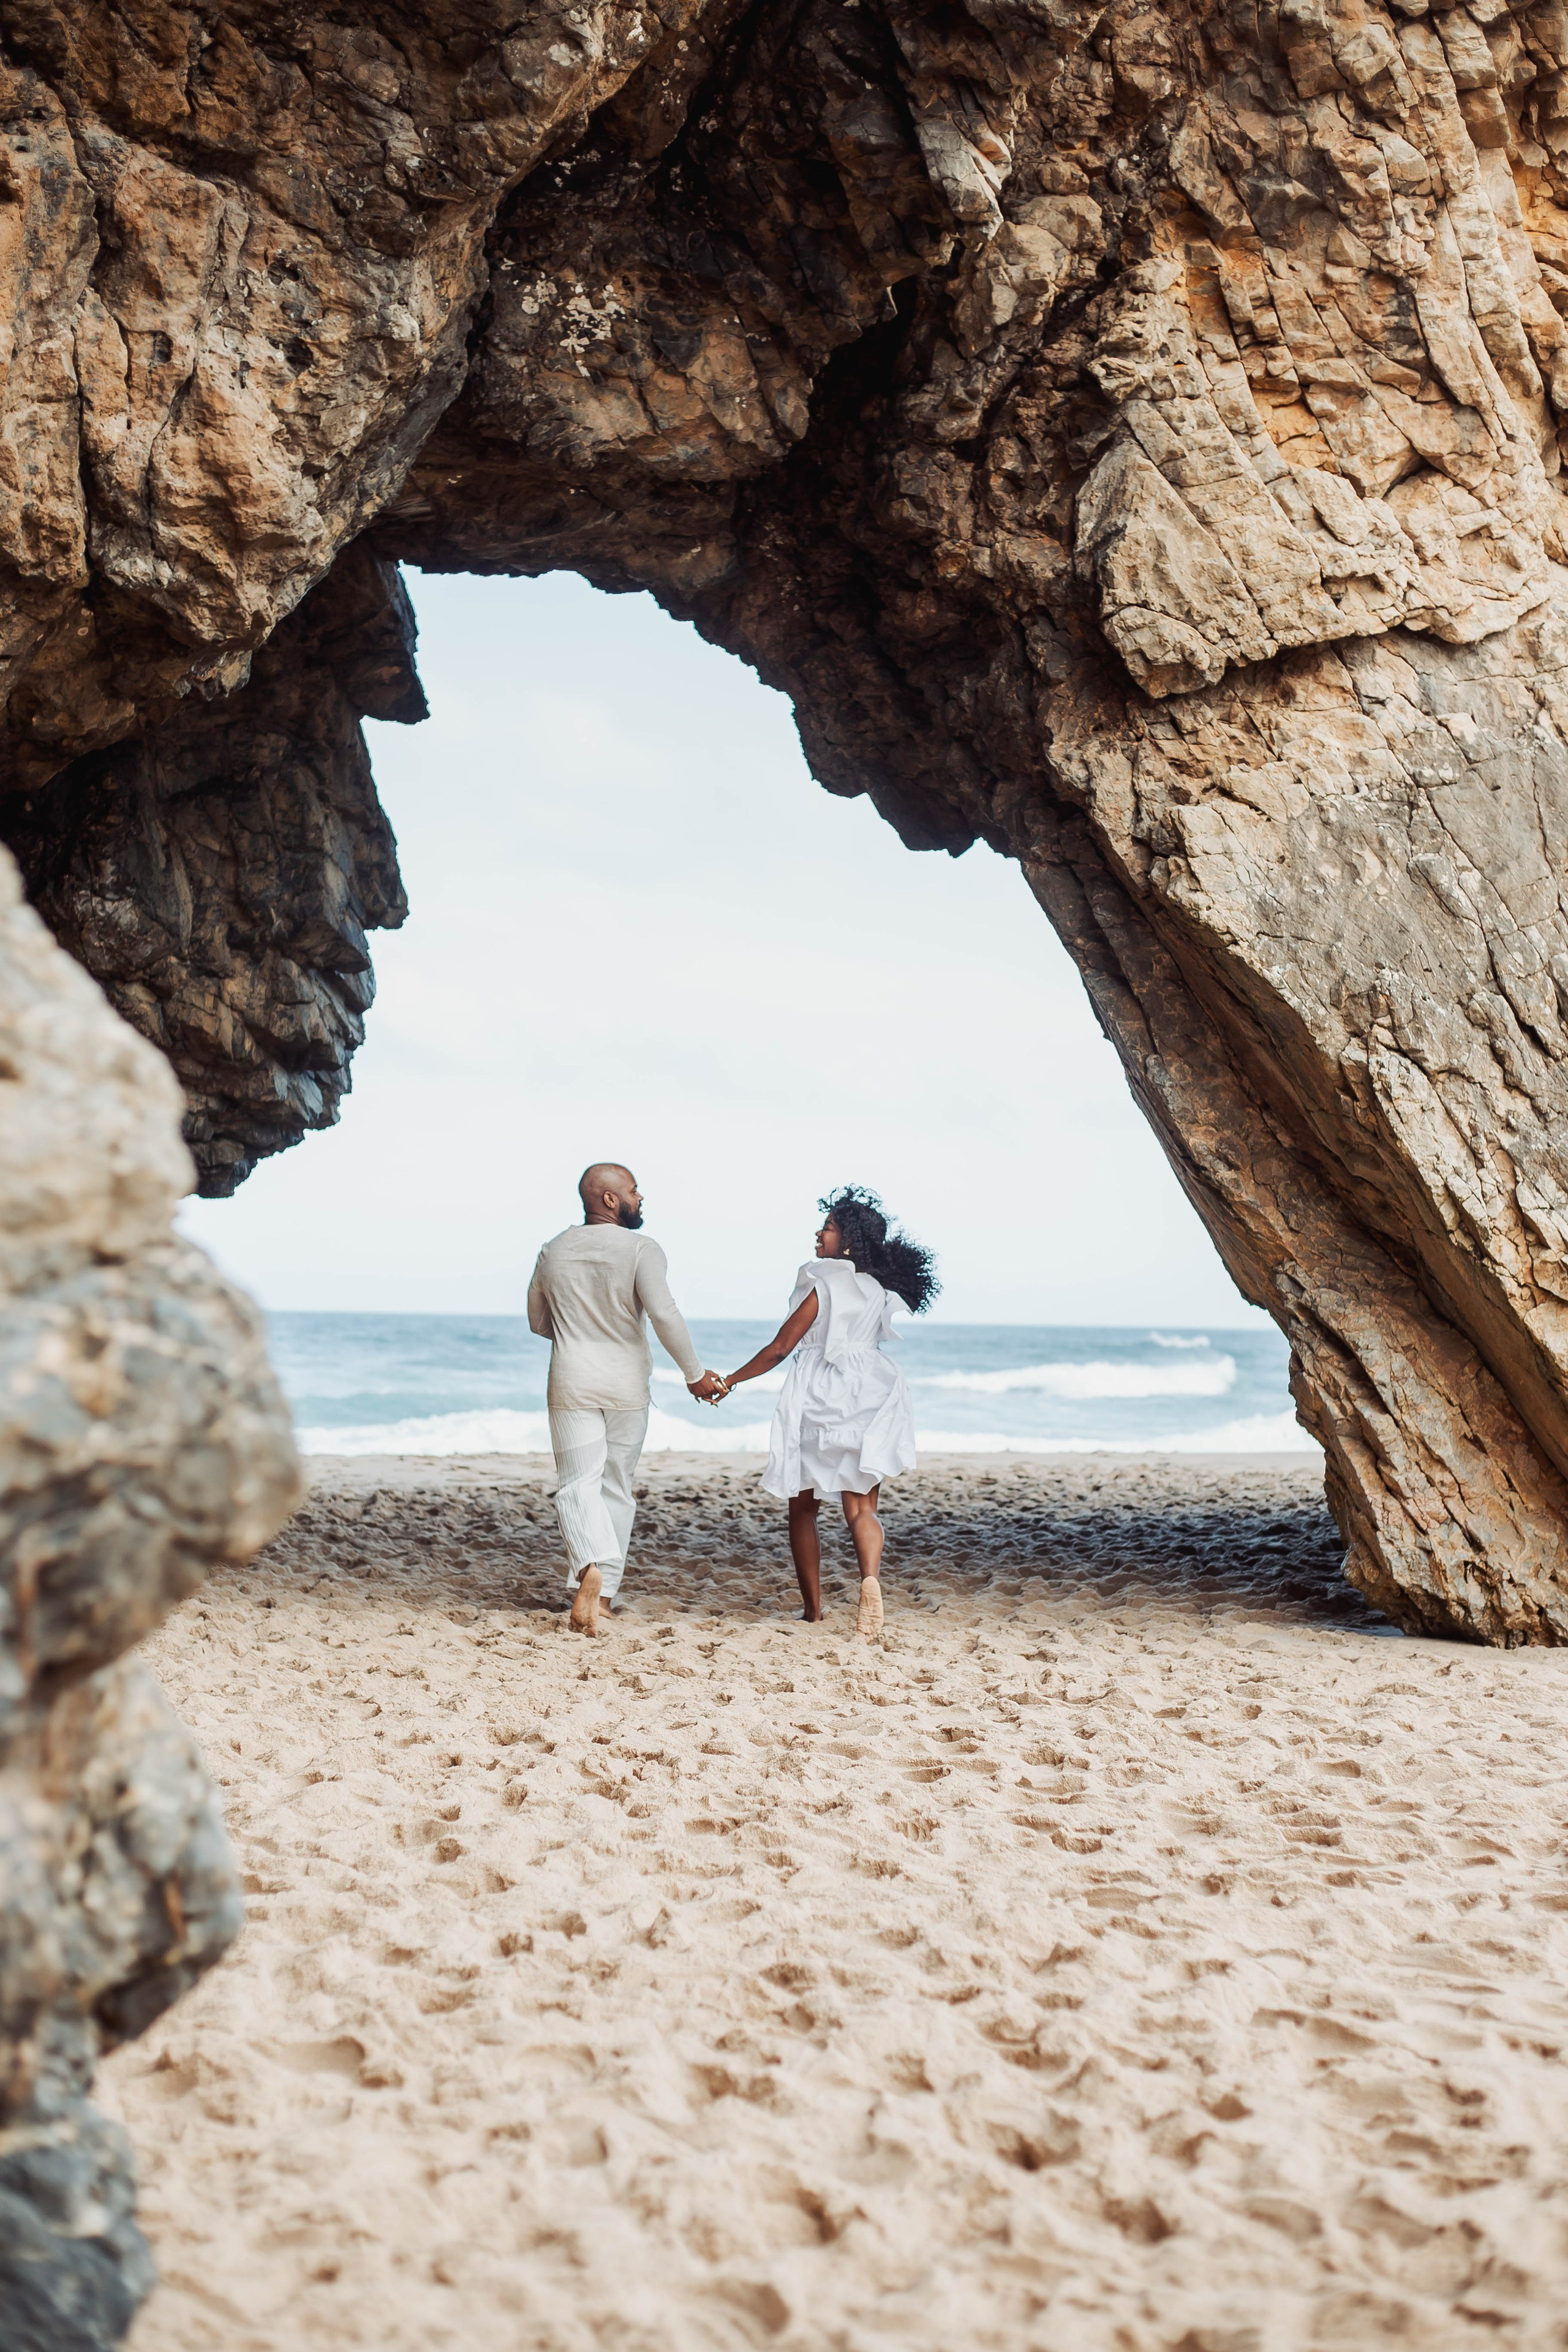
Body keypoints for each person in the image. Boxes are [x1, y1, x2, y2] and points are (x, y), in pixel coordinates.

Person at [715, 1186, 938, 1634]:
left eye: (830, 1227)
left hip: (821, 1394)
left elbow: (781, 1347)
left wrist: (731, 1380)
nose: (820, 1233)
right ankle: (870, 1581)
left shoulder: (824, 1282)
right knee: (862, 1508)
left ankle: (814, 1611)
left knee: (803, 1506)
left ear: (849, 1240)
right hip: (872, 1391)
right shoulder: (877, 1289)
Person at [529, 1163, 725, 1635]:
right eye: (634, 1190)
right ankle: (607, 1597)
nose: (641, 1198)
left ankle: (587, 1569)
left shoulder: (553, 1250)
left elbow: (537, 1322)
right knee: (615, 1485)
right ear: (611, 1200)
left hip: (572, 1382)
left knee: (577, 1484)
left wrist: (578, 1333)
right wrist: (694, 1375)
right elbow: (664, 1313)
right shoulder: (642, 1249)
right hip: (626, 1388)